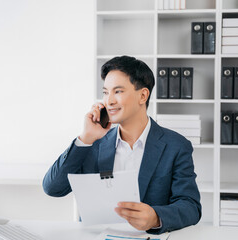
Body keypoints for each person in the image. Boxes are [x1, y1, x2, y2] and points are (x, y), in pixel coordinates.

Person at [43, 55, 201, 234]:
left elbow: (191, 206)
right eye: (105, 92)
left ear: (143, 95)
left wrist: (155, 217)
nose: (109, 101)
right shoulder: (93, 143)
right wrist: (85, 138)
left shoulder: (176, 146)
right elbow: (52, 188)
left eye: (117, 91)